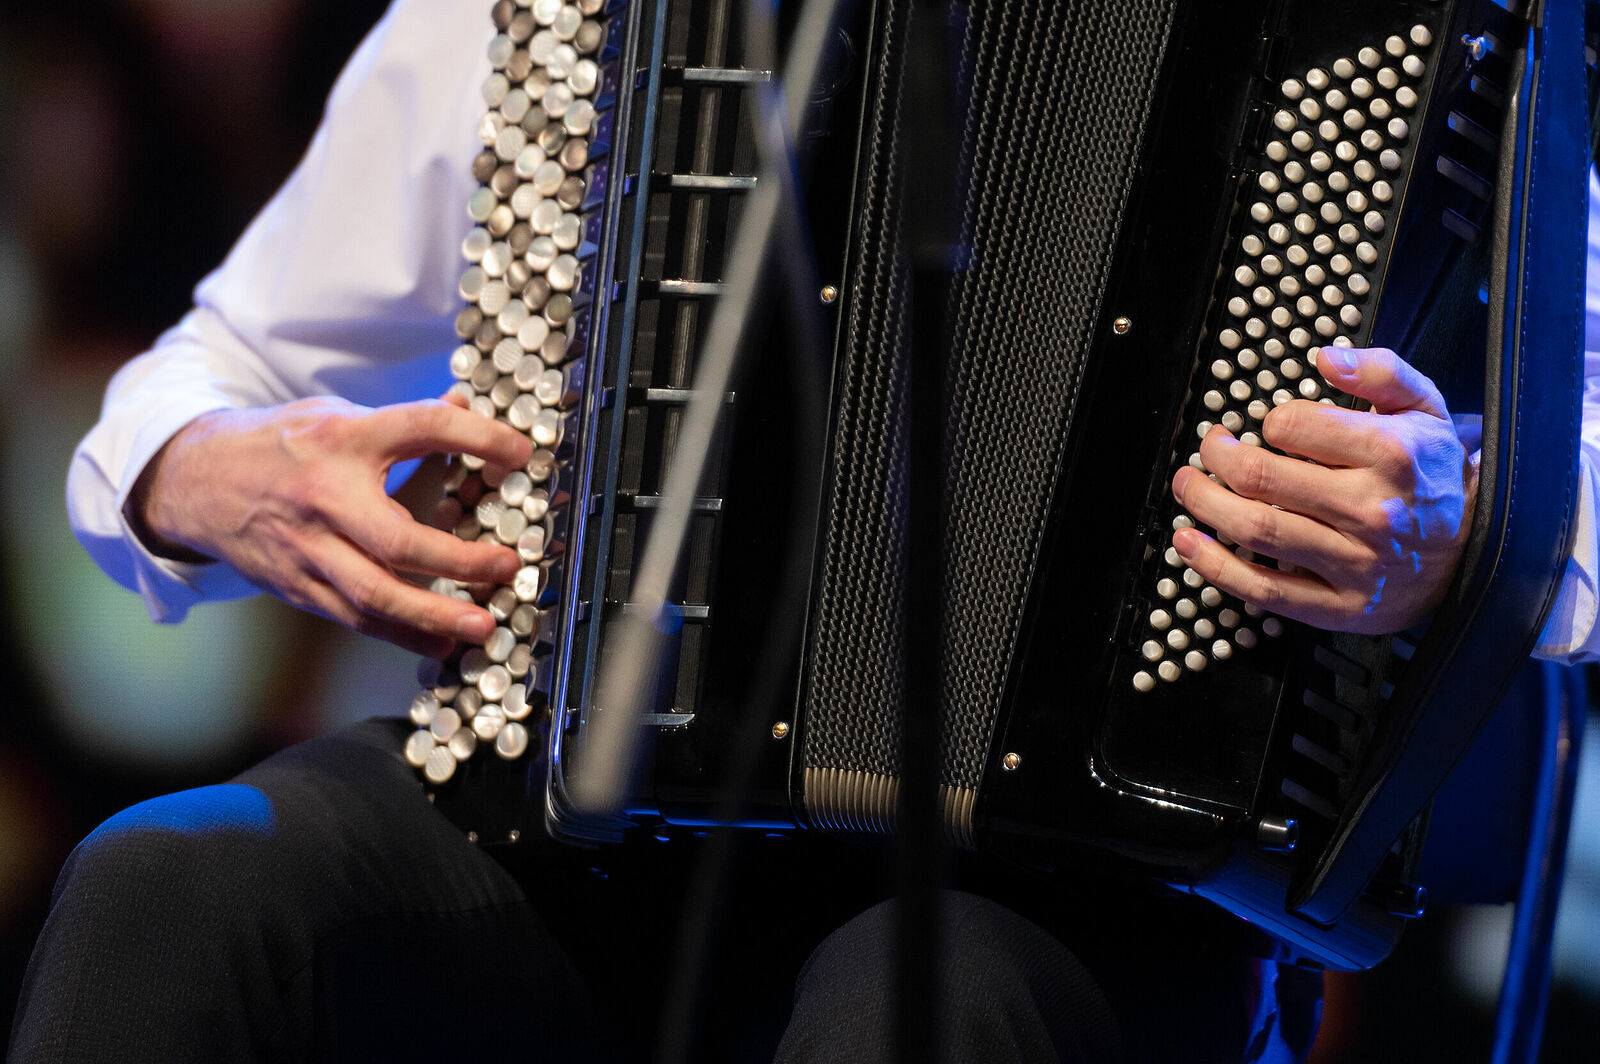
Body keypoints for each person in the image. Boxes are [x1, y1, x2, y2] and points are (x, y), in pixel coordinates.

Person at [10, 0, 1597, 1059]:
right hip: (581, 826)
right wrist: (197, 474)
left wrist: (1468, 514)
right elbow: (206, 383)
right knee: (170, 889)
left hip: (1103, 884)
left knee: (915, 1007)